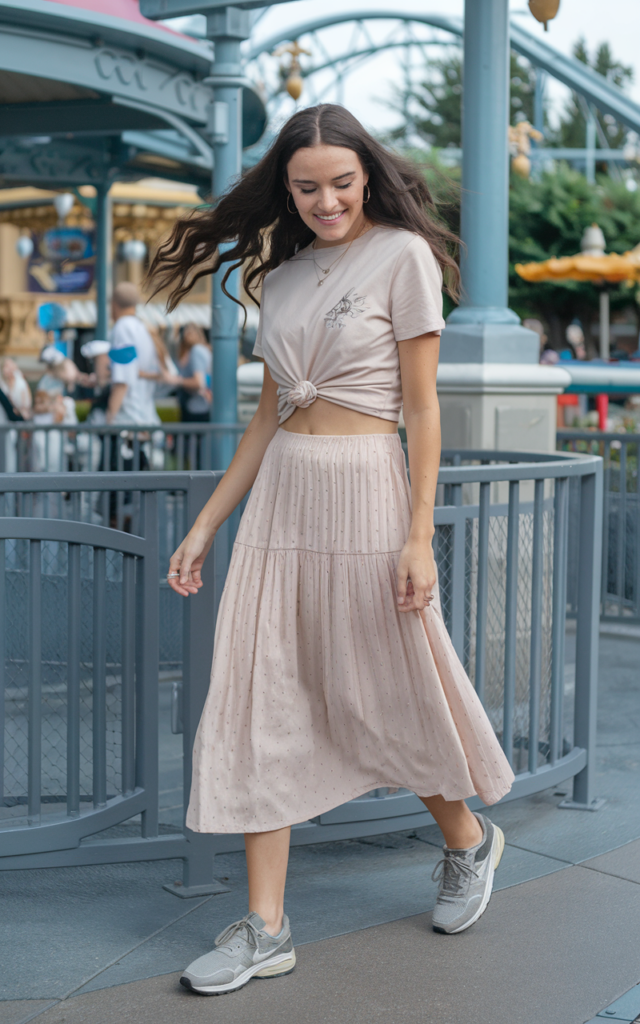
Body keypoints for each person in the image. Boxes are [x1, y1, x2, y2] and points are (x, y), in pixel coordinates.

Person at [149, 103, 514, 997]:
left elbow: (422, 411)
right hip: (282, 498)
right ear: (288, 187)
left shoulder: (404, 257)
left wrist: (418, 532)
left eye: (341, 184)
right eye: (307, 187)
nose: (326, 201)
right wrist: (205, 525)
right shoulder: (280, 278)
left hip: (366, 489)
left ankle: (467, 839)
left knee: (385, 684)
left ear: (366, 176)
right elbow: (266, 420)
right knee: (258, 690)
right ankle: (266, 926)